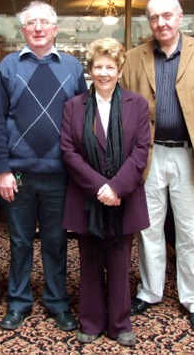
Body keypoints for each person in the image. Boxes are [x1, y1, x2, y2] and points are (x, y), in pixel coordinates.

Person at [121, 0, 194, 334]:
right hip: (148, 157)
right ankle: (150, 292)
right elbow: (124, 111)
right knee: (148, 229)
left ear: (180, 16)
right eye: (154, 18)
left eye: (167, 16)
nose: (161, 23)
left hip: (191, 154)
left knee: (192, 233)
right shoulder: (135, 56)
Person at [0, 0, 88, 331]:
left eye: (45, 22)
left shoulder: (73, 67)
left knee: (56, 242)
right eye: (32, 23)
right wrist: (2, 169)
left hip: (60, 175)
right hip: (18, 174)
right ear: (23, 30)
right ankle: (18, 302)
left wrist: (80, 171)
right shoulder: (8, 66)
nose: (39, 28)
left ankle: (57, 302)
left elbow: (83, 122)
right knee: (18, 242)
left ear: (55, 29)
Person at [60, 38, 151, 346]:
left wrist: (116, 187)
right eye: (97, 66)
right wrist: (100, 187)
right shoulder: (74, 106)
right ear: (90, 69)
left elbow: (141, 150)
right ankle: (91, 321)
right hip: (88, 196)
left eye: (109, 67)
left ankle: (120, 324)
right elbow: (69, 151)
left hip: (124, 196)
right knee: (89, 261)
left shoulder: (136, 104)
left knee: (120, 259)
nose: (103, 73)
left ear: (120, 69)